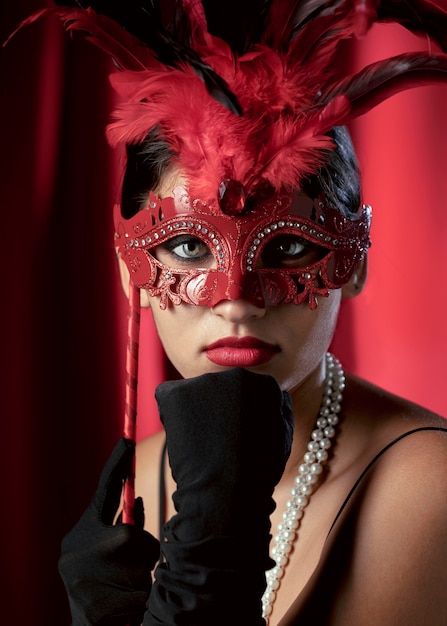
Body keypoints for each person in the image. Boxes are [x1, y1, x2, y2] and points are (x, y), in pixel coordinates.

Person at [11, 1, 447, 625]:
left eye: (290, 245)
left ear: (352, 263)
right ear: (126, 264)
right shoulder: (144, 474)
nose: (236, 296)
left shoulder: (430, 489)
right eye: (188, 246)